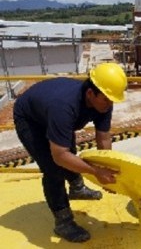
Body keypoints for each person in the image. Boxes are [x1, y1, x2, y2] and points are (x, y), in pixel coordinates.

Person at [13, 62, 127, 243]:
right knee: (53, 168)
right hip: (30, 118)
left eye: (112, 99)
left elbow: (104, 138)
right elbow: (60, 156)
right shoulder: (64, 107)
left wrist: (107, 171)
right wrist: (96, 172)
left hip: (51, 110)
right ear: (90, 93)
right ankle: (63, 222)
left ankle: (77, 188)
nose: (110, 103)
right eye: (106, 99)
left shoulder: (104, 100)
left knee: (70, 151)